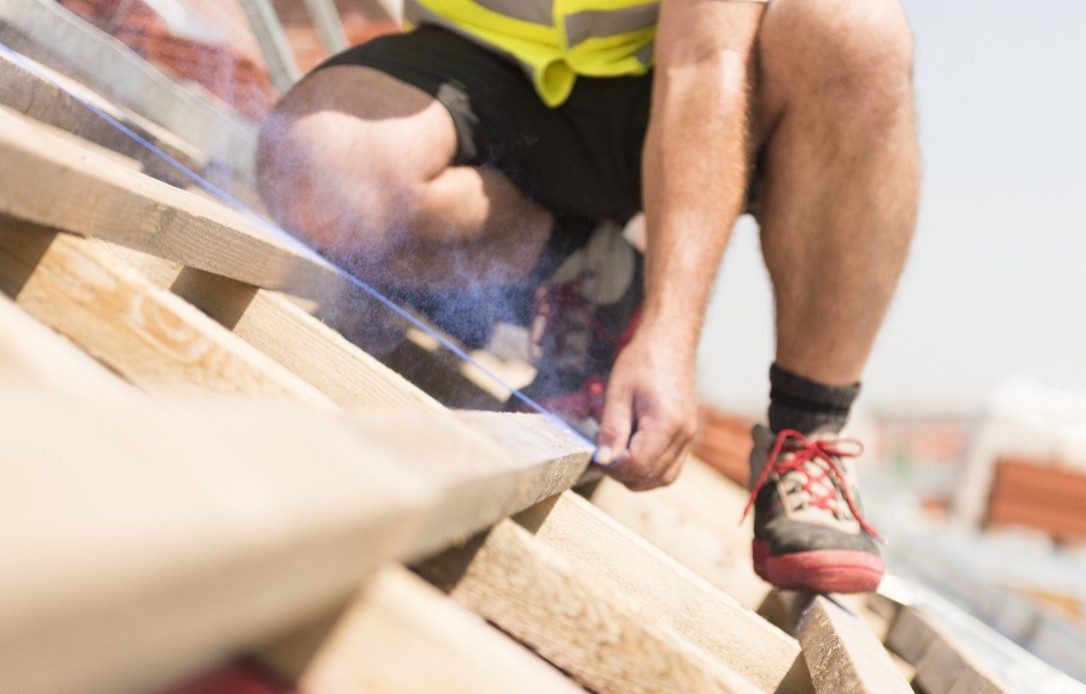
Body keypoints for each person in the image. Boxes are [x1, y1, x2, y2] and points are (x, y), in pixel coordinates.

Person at [256, 0, 919, 593]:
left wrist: (668, 332)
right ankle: (588, 267)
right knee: (318, 164)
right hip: (480, 60)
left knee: (853, 28)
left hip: (667, 89)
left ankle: (809, 432)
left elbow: (702, 55)